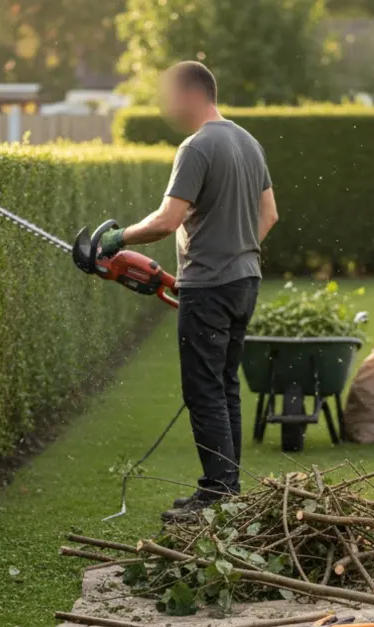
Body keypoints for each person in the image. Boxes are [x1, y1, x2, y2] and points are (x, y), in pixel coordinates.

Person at [96, 61, 278, 521]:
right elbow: (270, 215)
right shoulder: (248, 142)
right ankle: (227, 489)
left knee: (204, 389)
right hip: (245, 281)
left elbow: (167, 220)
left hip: (210, 285)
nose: (166, 106)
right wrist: (236, 252)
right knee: (225, 385)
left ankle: (216, 493)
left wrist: (117, 239)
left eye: (170, 96)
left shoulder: (196, 147)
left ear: (192, 94)